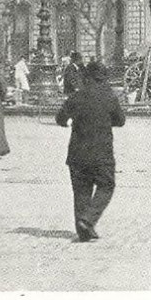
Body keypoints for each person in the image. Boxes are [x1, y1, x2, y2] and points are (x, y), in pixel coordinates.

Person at [56, 60, 126, 242]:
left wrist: (70, 120)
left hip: (77, 153)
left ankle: (83, 230)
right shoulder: (109, 97)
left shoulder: (76, 97)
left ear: (86, 77)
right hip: (102, 153)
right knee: (106, 186)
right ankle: (88, 220)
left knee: (81, 191)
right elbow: (120, 120)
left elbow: (60, 119)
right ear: (103, 78)